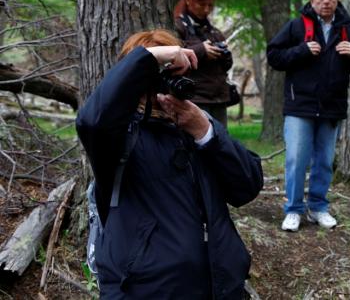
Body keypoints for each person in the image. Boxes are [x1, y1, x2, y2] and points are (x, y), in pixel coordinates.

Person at [76, 29, 263, 299]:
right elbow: (91, 121)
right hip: (145, 290)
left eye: (173, 74)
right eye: (157, 76)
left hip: (218, 286)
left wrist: (206, 133)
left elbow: (247, 186)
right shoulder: (117, 137)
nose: (164, 85)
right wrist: (151, 57)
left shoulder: (195, 126)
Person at [267, 0, 350, 232]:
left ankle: (318, 208)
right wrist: (301, 51)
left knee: (324, 160)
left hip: (332, 106)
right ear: (312, 0)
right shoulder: (296, 27)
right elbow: (274, 56)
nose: (326, 1)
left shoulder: (349, 30)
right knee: (296, 159)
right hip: (300, 105)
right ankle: (293, 209)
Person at [174, 0, 233, 127]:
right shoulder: (177, 26)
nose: (206, 10)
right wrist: (201, 50)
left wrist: (224, 53)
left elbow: (226, 66)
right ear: (188, 0)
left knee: (221, 146)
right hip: (195, 99)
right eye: (201, 4)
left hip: (219, 99)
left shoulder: (214, 32)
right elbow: (172, 57)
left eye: (210, 5)